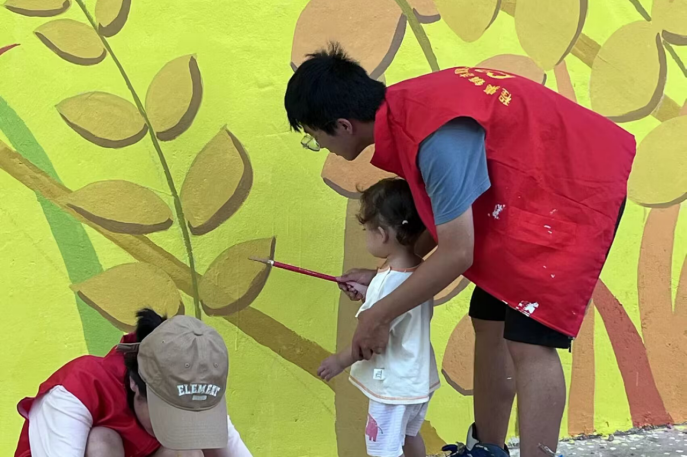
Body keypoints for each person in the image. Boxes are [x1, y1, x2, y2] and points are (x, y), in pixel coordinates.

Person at [284, 44, 634, 457]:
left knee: (529, 340)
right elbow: (446, 215)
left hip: (575, 192)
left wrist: (378, 315)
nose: (320, 146)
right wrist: (386, 277)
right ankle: (487, 449)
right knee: (488, 320)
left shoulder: (432, 135)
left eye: (314, 137)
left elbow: (457, 252)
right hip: (529, 194)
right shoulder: (406, 111)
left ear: (343, 125)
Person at [14, 309, 252, 457]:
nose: (182, 424)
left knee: (186, 451)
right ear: (136, 385)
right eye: (171, 415)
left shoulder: (198, 393)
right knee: (102, 442)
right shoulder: (77, 390)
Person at [317, 178, 440, 457]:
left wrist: (339, 361)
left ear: (382, 234)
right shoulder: (423, 273)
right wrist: (368, 290)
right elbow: (401, 313)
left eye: (366, 230)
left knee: (383, 449)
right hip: (418, 378)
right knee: (409, 436)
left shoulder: (386, 283)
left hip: (392, 385)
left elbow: (370, 339)